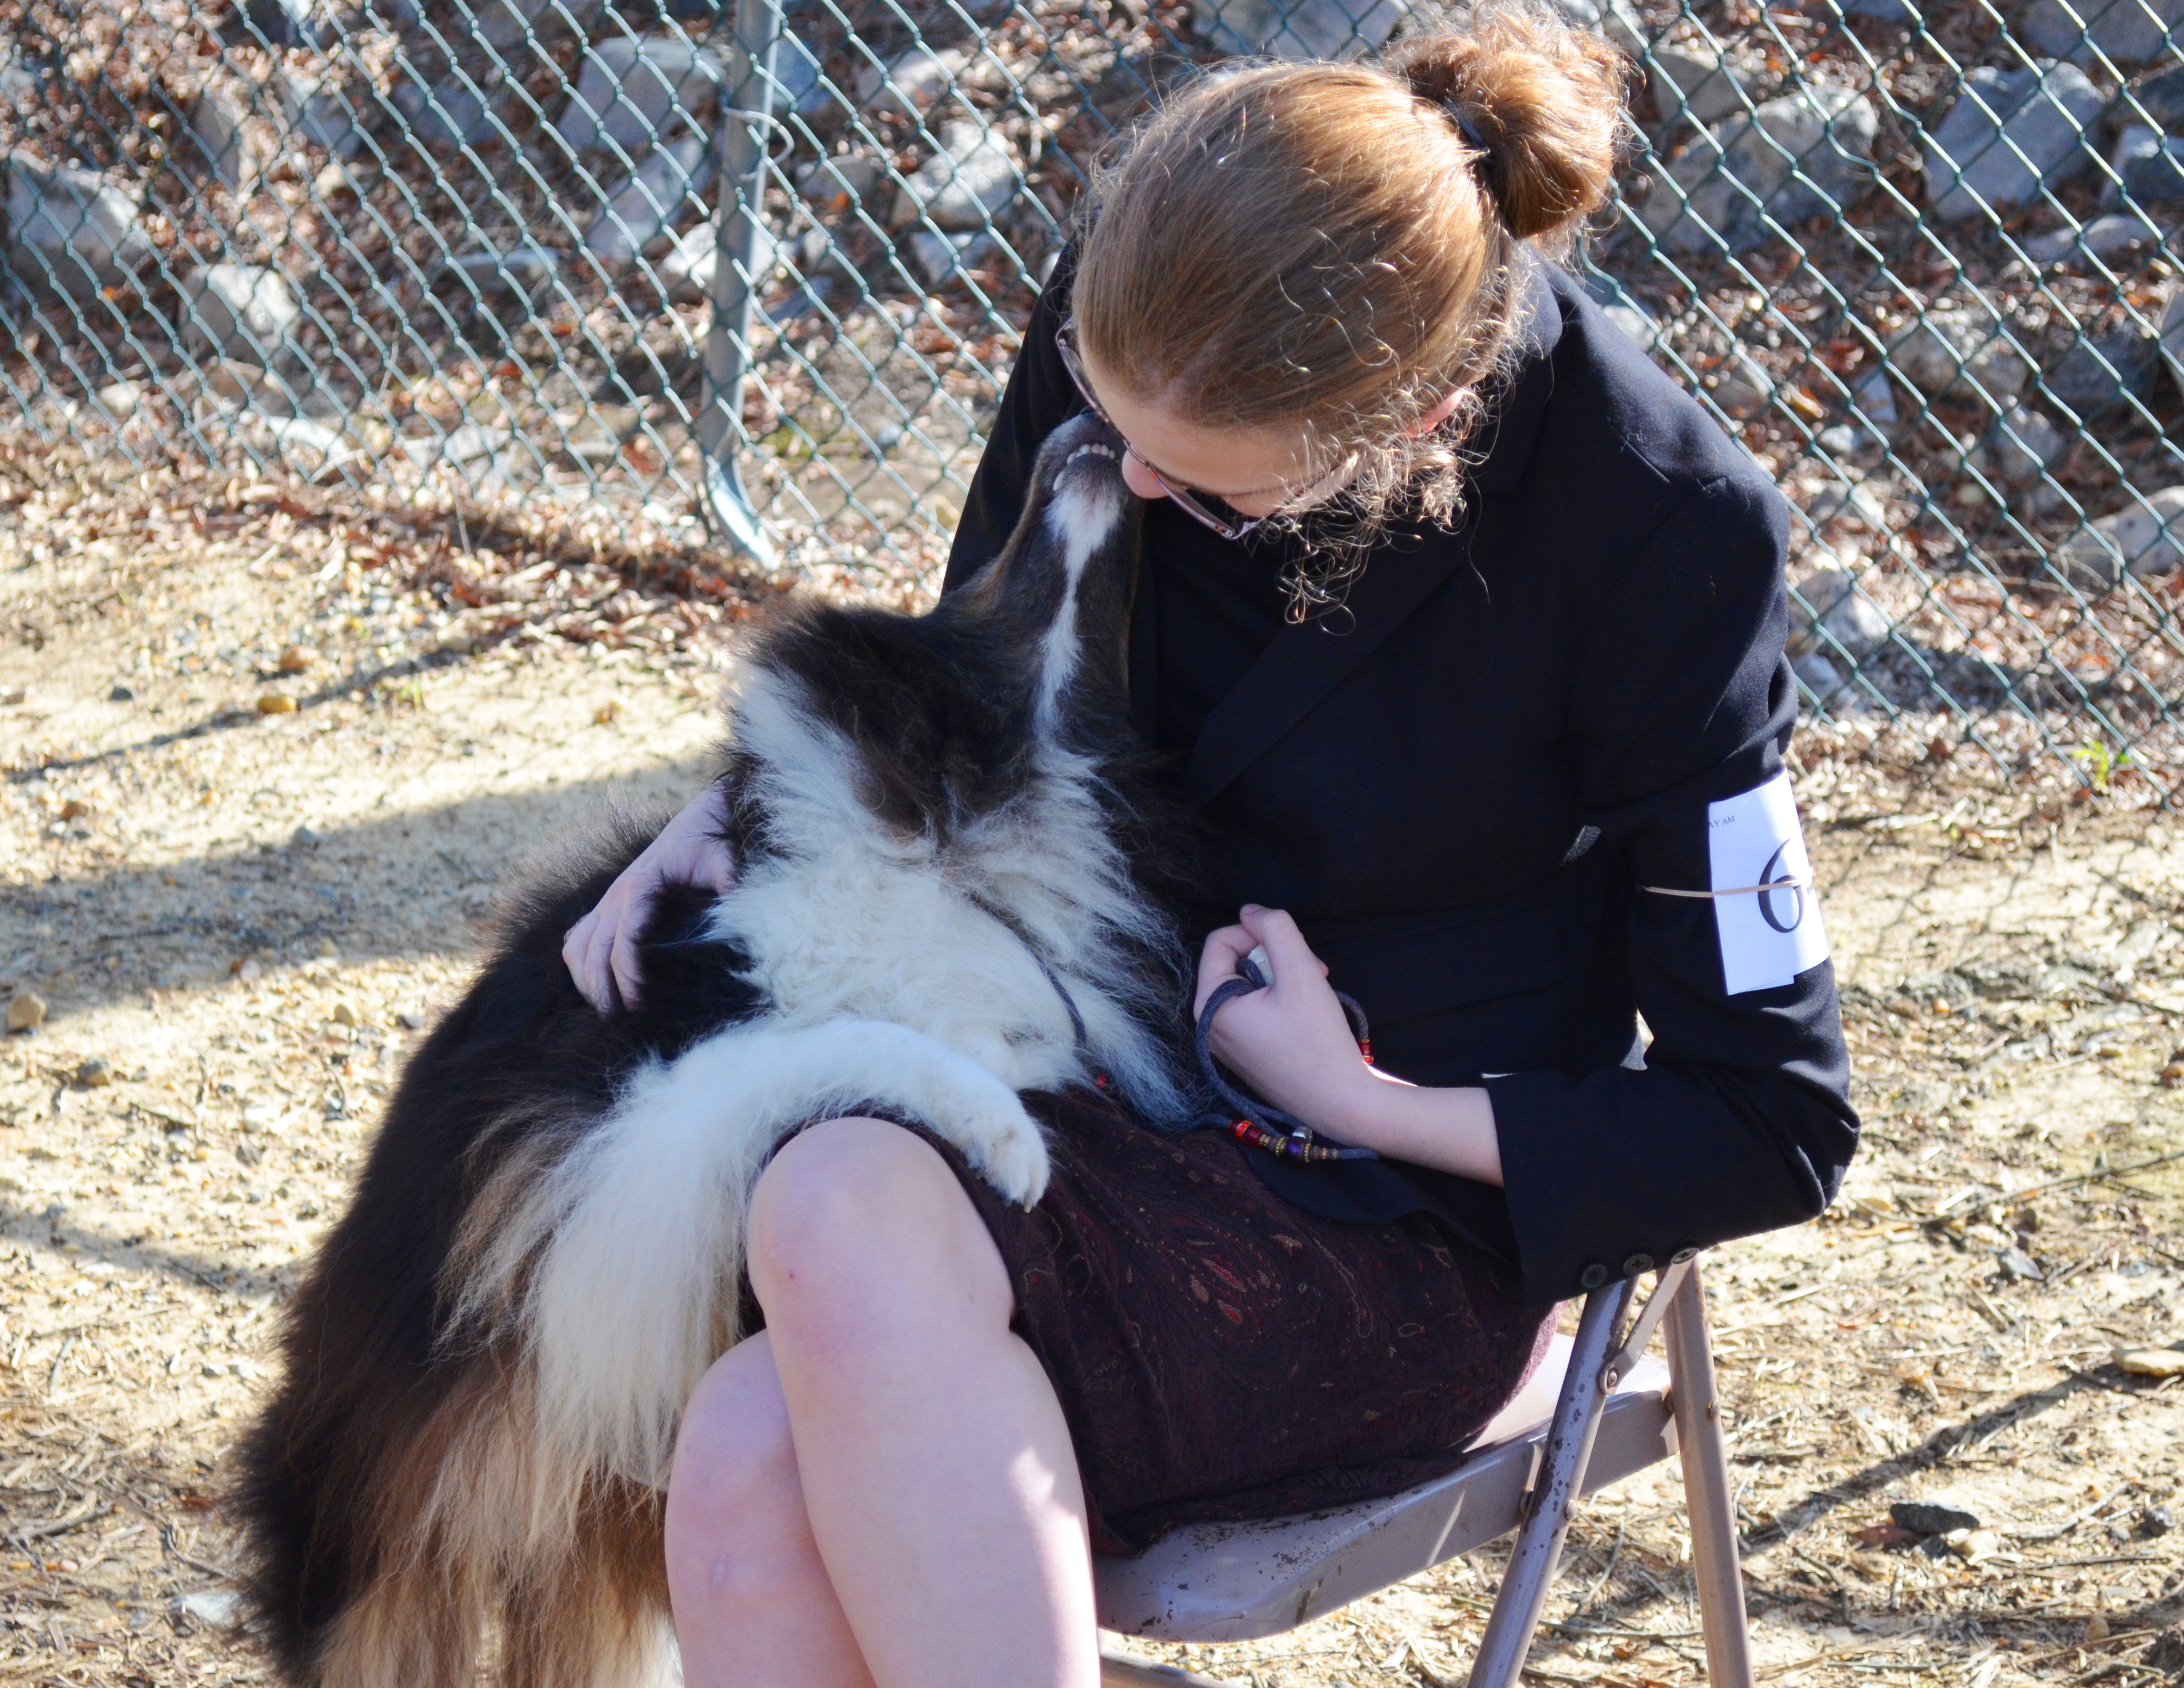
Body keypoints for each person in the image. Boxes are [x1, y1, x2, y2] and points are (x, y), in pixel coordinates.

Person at [560, 10, 1859, 1684]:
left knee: (817, 1245)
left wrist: (1359, 1100)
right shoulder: (1139, 339)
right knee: (744, 1468)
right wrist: (733, 814)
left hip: (1389, 1214)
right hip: (1085, 1088)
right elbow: (987, 671)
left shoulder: (1659, 520)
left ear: (1422, 423)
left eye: (1210, 489)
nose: (1130, 491)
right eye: (1108, 426)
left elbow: (1771, 1117)